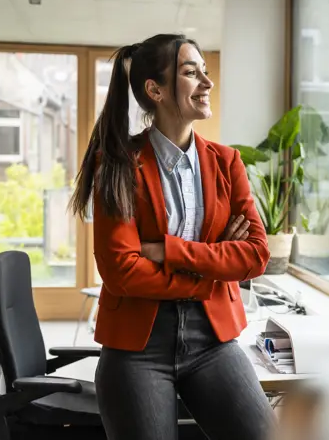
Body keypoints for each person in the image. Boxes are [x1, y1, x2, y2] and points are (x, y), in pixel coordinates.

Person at [69, 34, 276, 440]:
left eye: (205, 71)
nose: (206, 81)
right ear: (155, 89)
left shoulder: (227, 162)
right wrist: (210, 269)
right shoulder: (117, 164)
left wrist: (169, 250)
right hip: (136, 348)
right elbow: (121, 272)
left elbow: (255, 255)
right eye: (190, 71)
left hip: (213, 341)